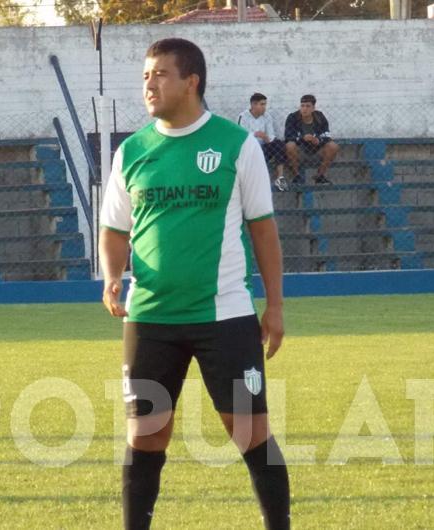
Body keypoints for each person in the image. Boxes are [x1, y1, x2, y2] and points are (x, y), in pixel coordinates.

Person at [99, 38, 290, 530]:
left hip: (224, 317)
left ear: (191, 81)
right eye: (145, 75)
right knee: (146, 435)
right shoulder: (132, 152)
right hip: (151, 319)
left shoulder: (236, 144)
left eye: (160, 74)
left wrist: (274, 307)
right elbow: (114, 230)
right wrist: (113, 275)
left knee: (249, 432)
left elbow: (263, 230)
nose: (149, 84)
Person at [237, 92, 288, 191]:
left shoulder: (267, 116)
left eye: (265, 104)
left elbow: (271, 134)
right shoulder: (243, 116)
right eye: (262, 104)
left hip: (263, 148)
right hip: (248, 149)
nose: (264, 107)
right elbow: (239, 136)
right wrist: (255, 134)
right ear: (253, 105)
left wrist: (267, 138)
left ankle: (280, 178)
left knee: (279, 143)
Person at [284, 94, 339, 185]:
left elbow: (327, 135)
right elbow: (288, 136)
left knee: (333, 146)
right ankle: (297, 176)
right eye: (302, 106)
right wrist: (302, 138)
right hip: (299, 152)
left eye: (308, 106)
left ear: (313, 108)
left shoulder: (319, 117)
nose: (304, 109)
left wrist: (318, 140)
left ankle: (320, 176)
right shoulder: (292, 117)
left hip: (317, 151)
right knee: (289, 145)